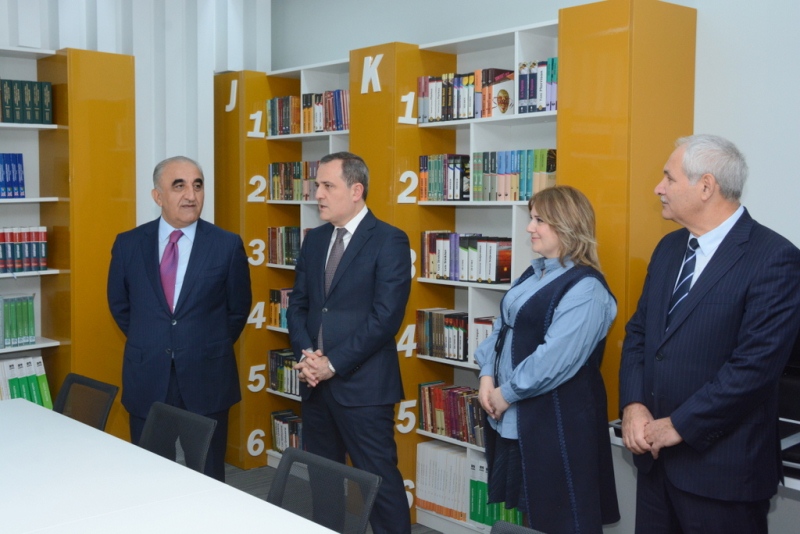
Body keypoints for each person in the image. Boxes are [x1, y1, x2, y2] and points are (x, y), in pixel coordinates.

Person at [619, 134, 800, 533]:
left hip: (723, 477)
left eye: (669, 178)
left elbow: (753, 369)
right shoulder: (668, 249)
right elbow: (639, 335)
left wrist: (678, 425)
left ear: (706, 186)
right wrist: (633, 404)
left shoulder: (774, 258)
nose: (658, 188)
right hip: (655, 466)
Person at [475, 185, 620, 534]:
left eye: (539, 220)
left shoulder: (587, 289)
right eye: (531, 218)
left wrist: (505, 394)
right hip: (518, 419)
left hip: (557, 424)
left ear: (567, 225)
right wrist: (486, 376)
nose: (530, 227)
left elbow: (554, 360)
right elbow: (501, 328)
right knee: (533, 517)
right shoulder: (534, 273)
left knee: (563, 518)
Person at [286, 151, 412, 534]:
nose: (318, 194)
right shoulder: (314, 239)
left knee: (380, 486)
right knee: (324, 483)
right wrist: (308, 357)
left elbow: (385, 318)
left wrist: (332, 364)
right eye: (317, 185)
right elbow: (299, 305)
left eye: (328, 186)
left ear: (356, 190)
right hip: (315, 385)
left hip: (364, 389)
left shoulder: (389, 240)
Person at [107, 156, 251, 482]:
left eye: (197, 185)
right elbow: (120, 305)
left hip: (207, 378)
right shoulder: (129, 244)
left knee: (208, 478)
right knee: (151, 479)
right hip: (148, 377)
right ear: (157, 196)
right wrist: (155, 339)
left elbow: (237, 309)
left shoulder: (227, 245)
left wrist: (201, 344)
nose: (191, 195)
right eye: (179, 186)